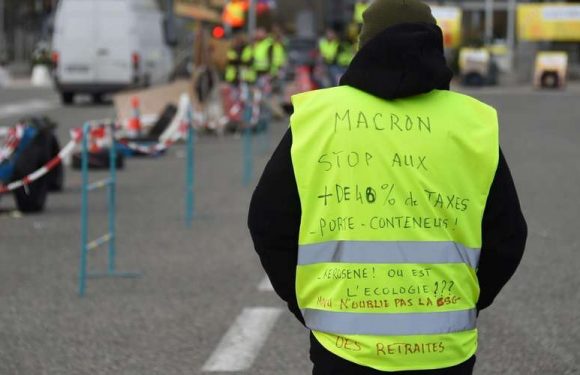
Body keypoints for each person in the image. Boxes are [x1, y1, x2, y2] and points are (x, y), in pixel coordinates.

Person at [248, 0, 527, 374]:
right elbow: (507, 236)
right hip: (444, 350)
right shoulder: (472, 124)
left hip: (342, 349)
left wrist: (309, 306)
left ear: (363, 47)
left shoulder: (318, 119)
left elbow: (268, 221)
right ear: (434, 45)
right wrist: (465, 302)